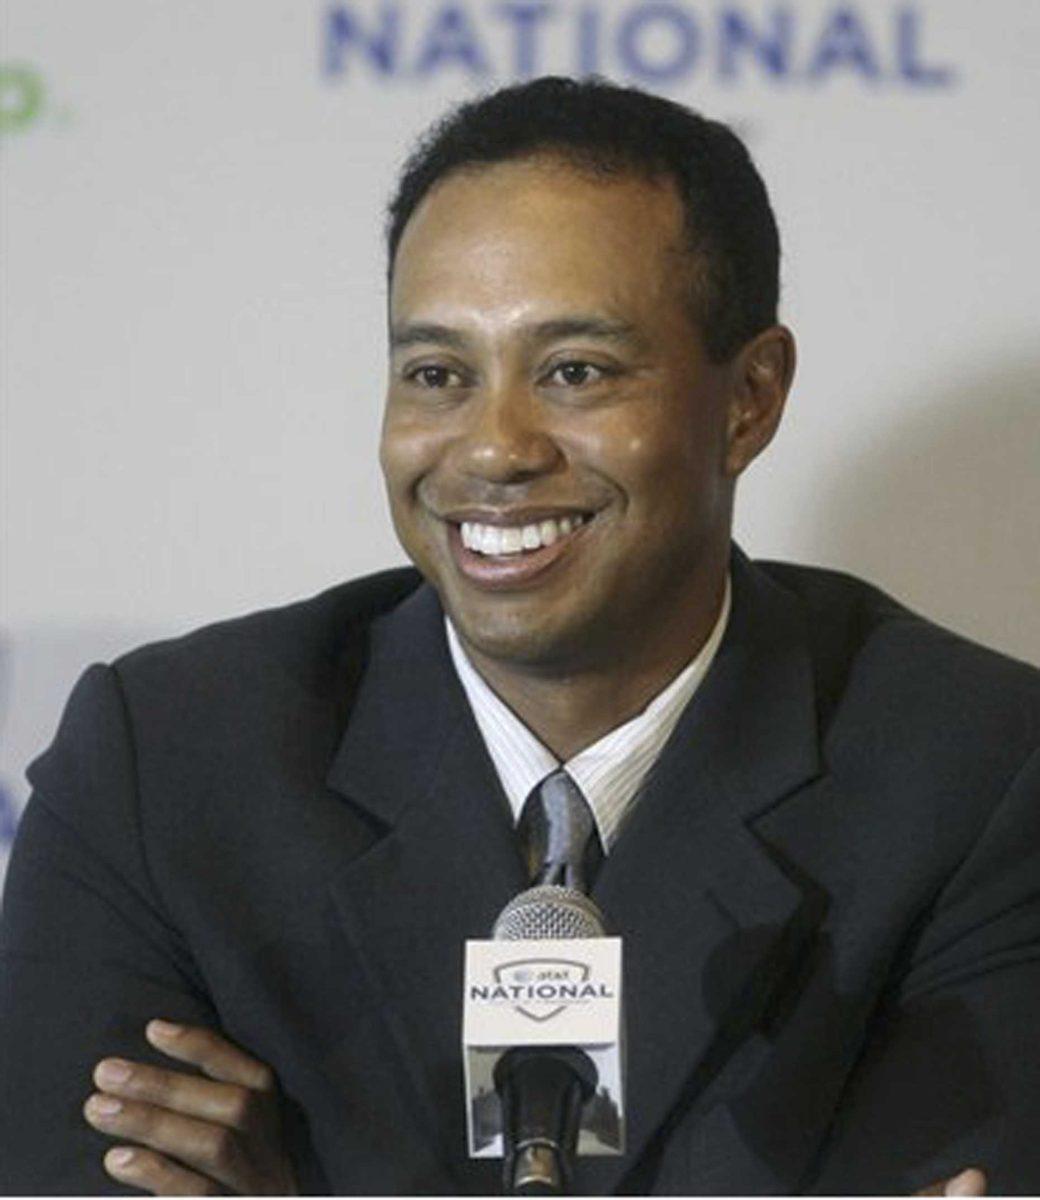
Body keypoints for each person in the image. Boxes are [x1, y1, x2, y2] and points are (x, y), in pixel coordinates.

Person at [1, 75, 1037, 1196]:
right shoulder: (166, 765)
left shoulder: (977, 775)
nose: (492, 448)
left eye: (573, 372)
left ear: (747, 398)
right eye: (437, 374)